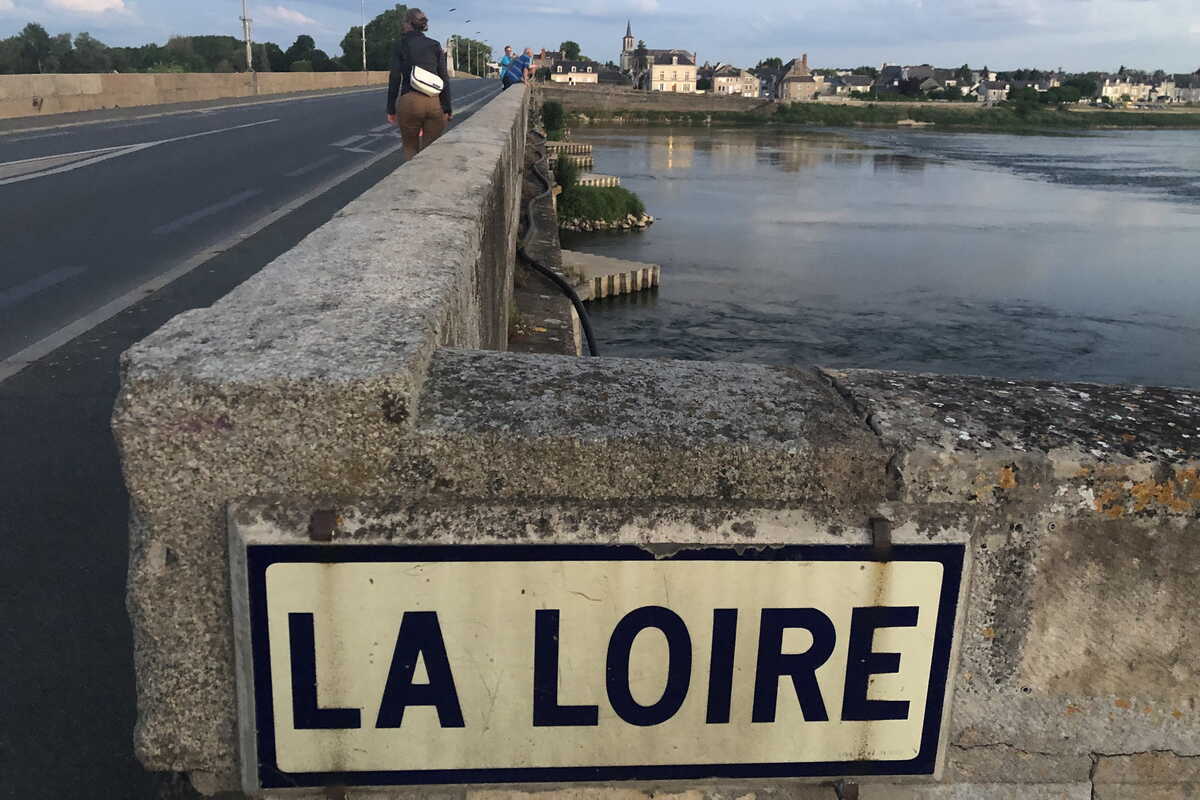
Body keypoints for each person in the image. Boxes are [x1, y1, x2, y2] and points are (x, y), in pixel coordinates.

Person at [386, 7, 452, 160]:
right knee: (429, 152)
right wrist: (447, 108)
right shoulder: (434, 45)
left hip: (410, 100)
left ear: (408, 23)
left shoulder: (400, 44)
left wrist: (391, 109)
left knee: (410, 148)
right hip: (433, 101)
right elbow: (444, 78)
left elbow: (395, 77)